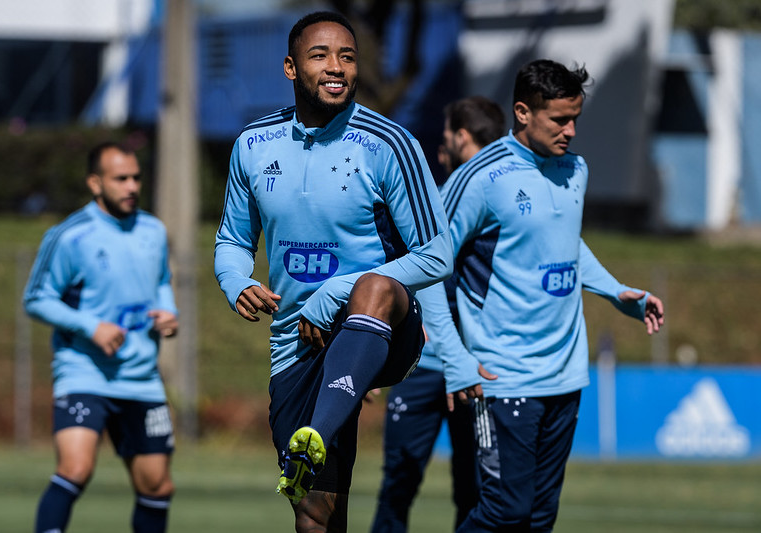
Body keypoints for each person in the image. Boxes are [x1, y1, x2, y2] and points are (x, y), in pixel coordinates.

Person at [213, 11, 452, 533]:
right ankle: (315, 443)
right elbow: (232, 241)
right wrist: (239, 282)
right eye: (320, 56)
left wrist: (333, 293)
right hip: (298, 341)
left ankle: (317, 433)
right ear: (291, 68)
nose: (336, 67)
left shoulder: (390, 143)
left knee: (372, 285)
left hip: (384, 325)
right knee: (315, 516)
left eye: (347, 56)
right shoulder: (253, 145)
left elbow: (436, 254)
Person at [419, 59, 665, 532]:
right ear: (523, 112)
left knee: (539, 519)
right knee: (503, 511)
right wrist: (454, 358)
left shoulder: (576, 169)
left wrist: (617, 293)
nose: (571, 131)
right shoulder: (479, 178)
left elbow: (565, 241)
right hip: (503, 374)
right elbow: (426, 266)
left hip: (565, 375)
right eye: (560, 119)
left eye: (576, 118)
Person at [24, 142, 178, 533]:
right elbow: (37, 298)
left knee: (157, 486)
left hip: (141, 378)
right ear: (96, 183)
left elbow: (160, 282)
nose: (131, 186)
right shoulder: (70, 236)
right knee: (76, 468)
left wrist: (168, 313)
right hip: (84, 372)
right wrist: (90, 327)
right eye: (120, 178)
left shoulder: (153, 230)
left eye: (136, 177)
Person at [370, 96, 505, 532]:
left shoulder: (484, 198)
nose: (440, 146)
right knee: (400, 483)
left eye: (447, 135)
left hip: (471, 367)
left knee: (473, 488)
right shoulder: (435, 199)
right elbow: (402, 280)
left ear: (461, 137)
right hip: (421, 366)